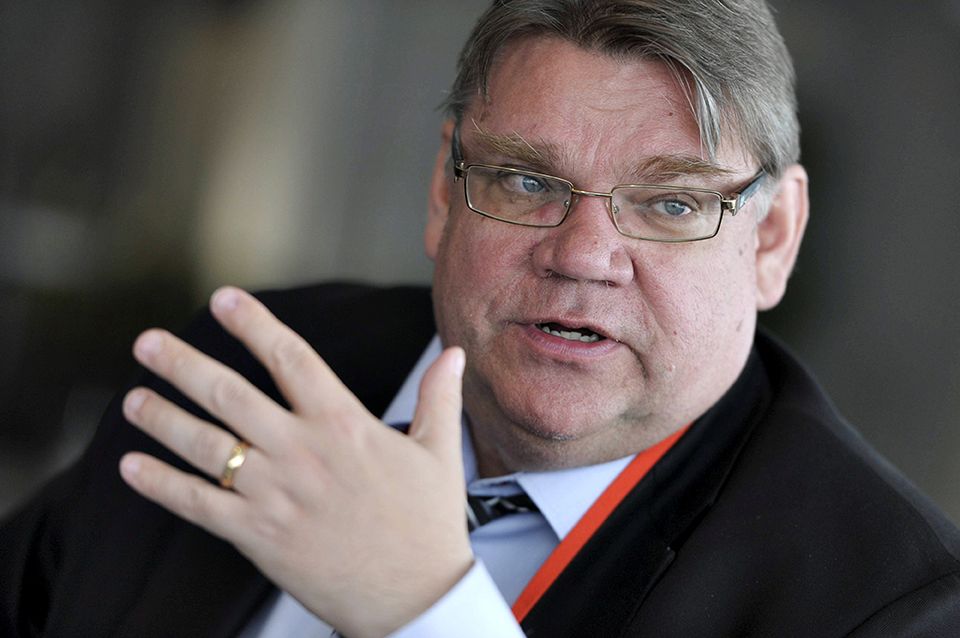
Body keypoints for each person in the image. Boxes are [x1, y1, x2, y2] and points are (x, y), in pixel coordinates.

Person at [3, 0, 960, 636]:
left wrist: (427, 612)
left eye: (671, 203)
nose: (582, 255)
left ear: (772, 239)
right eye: (527, 181)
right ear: (443, 190)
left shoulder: (888, 604)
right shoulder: (250, 370)